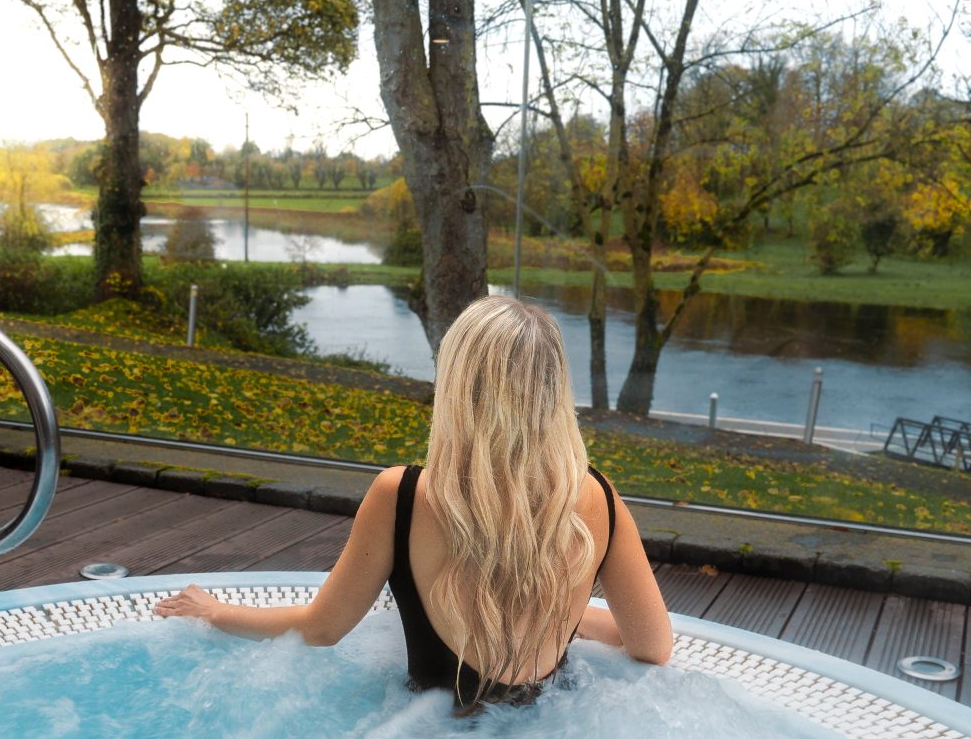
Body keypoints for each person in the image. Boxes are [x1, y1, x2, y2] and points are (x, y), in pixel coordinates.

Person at [156, 295, 672, 709]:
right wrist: (564, 612)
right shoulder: (598, 497)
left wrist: (215, 612)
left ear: (458, 385)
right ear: (554, 391)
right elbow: (652, 647)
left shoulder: (402, 496)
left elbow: (321, 628)